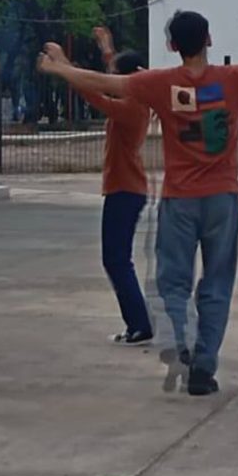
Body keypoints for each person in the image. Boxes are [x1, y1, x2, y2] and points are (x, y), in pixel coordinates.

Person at [37, 11, 238, 396]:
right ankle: (205, 367)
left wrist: (60, 69)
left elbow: (105, 82)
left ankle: (183, 340)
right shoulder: (235, 80)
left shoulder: (159, 83)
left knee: (173, 282)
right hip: (223, 200)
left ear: (173, 46)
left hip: (181, 200)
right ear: (208, 39)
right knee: (217, 286)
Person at [56, 26, 153, 345]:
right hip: (126, 189)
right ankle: (137, 323)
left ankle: (138, 325)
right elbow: (112, 80)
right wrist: (107, 49)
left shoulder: (130, 107)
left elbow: (94, 93)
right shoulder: (135, 99)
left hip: (125, 190)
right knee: (117, 258)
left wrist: (65, 67)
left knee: (115, 259)